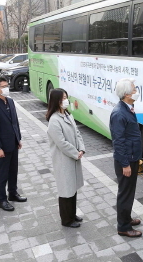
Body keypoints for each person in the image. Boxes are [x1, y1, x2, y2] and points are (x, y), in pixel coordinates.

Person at [46, 88, 86, 228]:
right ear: (56, 101)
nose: (66, 100)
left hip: (73, 157)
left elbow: (77, 134)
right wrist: (75, 153)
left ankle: (72, 214)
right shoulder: (54, 120)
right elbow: (61, 143)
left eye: (66, 97)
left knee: (72, 188)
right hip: (64, 160)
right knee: (65, 190)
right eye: (63, 98)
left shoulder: (68, 115)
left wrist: (81, 148)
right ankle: (66, 220)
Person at [0, 77, 26, 211]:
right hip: (3, 146)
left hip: (13, 143)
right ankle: (2, 200)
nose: (6, 88)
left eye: (6, 85)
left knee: (13, 170)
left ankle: (13, 193)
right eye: (3, 86)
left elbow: (15, 122)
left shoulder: (10, 101)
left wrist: (18, 138)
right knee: (3, 173)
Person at [110, 78, 143, 238]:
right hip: (126, 160)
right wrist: (125, 164)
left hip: (132, 157)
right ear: (127, 94)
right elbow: (119, 141)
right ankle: (123, 226)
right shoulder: (119, 113)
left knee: (129, 192)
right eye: (134, 90)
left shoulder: (128, 107)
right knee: (125, 193)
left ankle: (127, 218)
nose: (136, 92)